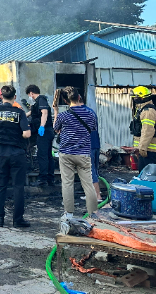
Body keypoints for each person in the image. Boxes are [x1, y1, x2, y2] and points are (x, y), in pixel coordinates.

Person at [0, 85, 31, 228]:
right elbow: (27, 134)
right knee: (18, 186)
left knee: (0, 185)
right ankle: (17, 220)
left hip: (1, 153)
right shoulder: (19, 112)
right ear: (14, 97)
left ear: (1, 96)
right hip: (17, 153)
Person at [54, 86, 99, 221]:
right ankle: (93, 214)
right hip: (84, 153)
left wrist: (56, 110)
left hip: (66, 153)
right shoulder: (91, 114)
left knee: (67, 183)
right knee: (88, 184)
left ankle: (69, 214)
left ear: (65, 101)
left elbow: (56, 129)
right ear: (79, 97)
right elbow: (92, 129)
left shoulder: (63, 115)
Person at [25, 85, 55, 187]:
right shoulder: (38, 102)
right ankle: (50, 178)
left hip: (44, 131)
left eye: (29, 94)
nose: (30, 96)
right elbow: (31, 112)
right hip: (47, 131)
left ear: (31, 93)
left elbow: (44, 113)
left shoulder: (41, 99)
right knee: (47, 155)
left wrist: (42, 126)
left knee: (42, 155)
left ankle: (43, 179)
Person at [131, 86, 156, 171]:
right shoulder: (142, 109)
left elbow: (147, 131)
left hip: (150, 151)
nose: (134, 99)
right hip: (146, 150)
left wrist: (142, 148)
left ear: (142, 98)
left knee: (147, 176)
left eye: (136, 97)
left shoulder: (148, 111)